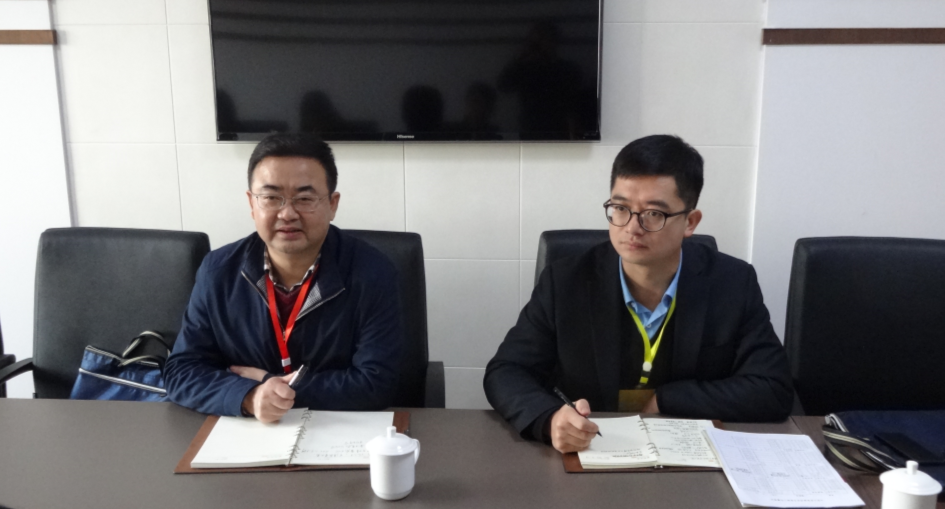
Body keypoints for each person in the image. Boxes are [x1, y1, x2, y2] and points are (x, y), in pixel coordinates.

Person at [483, 134, 793, 453]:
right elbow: (506, 371)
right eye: (620, 208)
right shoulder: (566, 281)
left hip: (687, 456)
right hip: (591, 451)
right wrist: (548, 418)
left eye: (654, 214)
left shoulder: (732, 283)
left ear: (690, 222)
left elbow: (773, 389)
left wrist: (669, 399)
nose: (632, 227)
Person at [165, 133, 403, 422]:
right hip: (245, 433)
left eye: (305, 198)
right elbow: (182, 372)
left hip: (340, 430)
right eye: (271, 198)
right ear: (252, 203)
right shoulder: (218, 271)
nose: (287, 213)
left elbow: (376, 383)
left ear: (332, 204)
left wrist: (272, 385)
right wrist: (250, 397)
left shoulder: (373, 272)